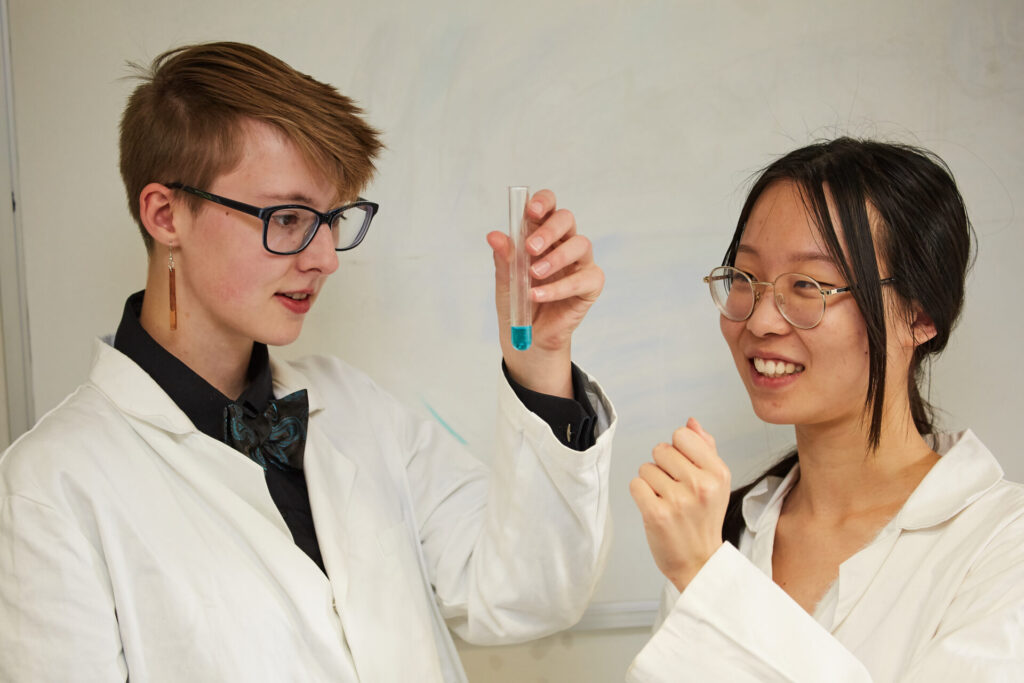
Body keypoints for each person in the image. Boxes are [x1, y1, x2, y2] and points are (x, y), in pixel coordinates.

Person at [0, 42, 616, 682]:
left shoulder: (355, 407)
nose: (325, 257)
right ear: (165, 214)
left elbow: (529, 596)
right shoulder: (51, 487)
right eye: (288, 217)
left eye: (332, 219)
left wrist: (542, 361)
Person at [627, 138, 1024, 681]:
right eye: (745, 278)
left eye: (809, 285)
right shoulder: (729, 527)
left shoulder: (1002, 543)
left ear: (921, 313)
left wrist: (705, 577)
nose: (761, 319)